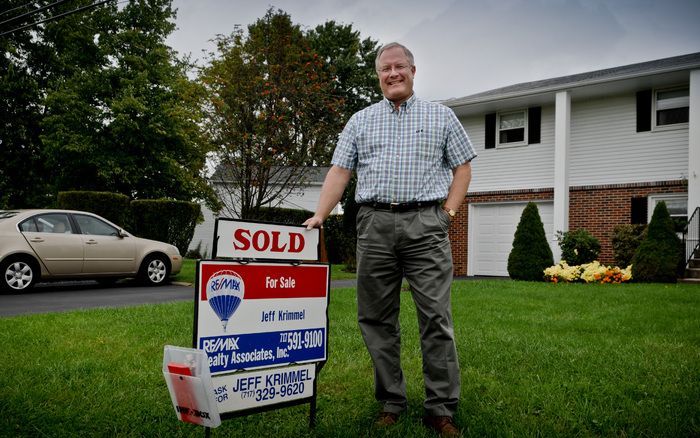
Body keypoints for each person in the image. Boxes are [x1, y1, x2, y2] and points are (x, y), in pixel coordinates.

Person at [303, 42, 476, 438]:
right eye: (385, 68)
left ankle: (440, 408)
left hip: (425, 224)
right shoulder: (360, 121)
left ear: (413, 71)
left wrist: (447, 214)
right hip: (375, 225)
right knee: (377, 319)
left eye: (400, 66)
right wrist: (320, 214)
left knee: (435, 317)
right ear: (378, 75)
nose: (393, 73)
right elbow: (339, 172)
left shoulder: (442, 116)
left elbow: (463, 169)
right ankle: (391, 401)